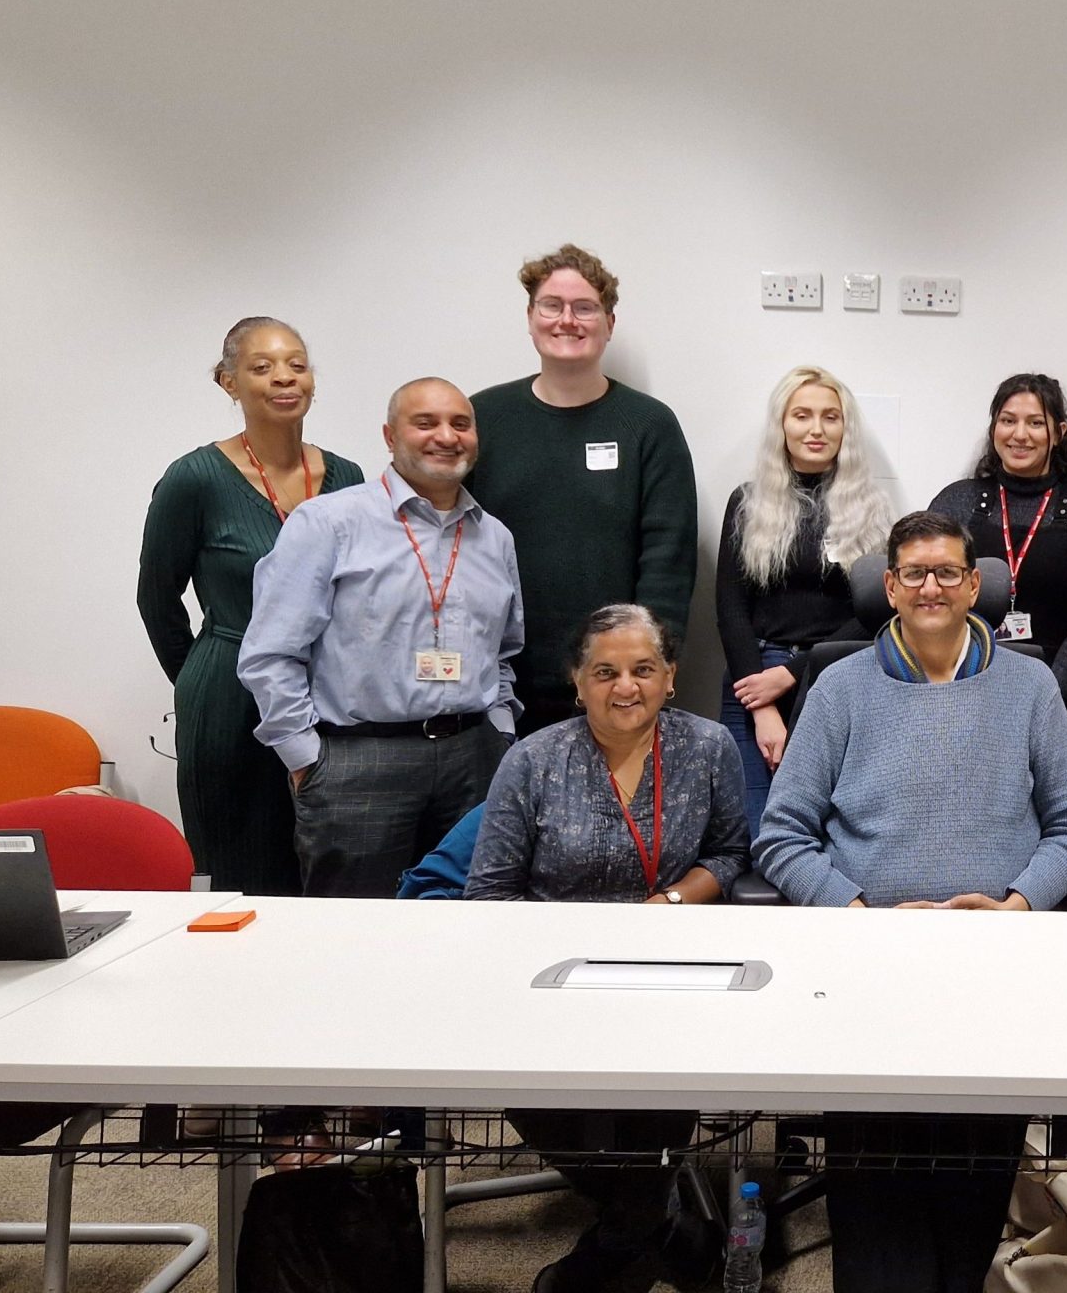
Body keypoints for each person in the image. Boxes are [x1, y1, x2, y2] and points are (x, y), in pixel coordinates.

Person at [754, 510, 1067, 1293]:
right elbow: (782, 836)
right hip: (870, 966)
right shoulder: (839, 688)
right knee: (879, 1204)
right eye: (915, 573)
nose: (932, 586)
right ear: (891, 587)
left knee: (969, 1198)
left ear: (976, 585)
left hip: (992, 964)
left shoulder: (1030, 685)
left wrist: (1016, 909)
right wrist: (858, 917)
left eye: (949, 572)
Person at [466, 604, 747, 1292]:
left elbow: (730, 853)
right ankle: (660, 1221)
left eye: (644, 670)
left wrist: (675, 901)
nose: (627, 687)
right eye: (606, 672)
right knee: (543, 1092)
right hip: (550, 981)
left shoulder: (708, 748)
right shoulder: (533, 760)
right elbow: (488, 895)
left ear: (671, 678)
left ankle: (624, 1236)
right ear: (578, 682)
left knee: (658, 1084)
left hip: (667, 973)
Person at [238, 377, 524, 898]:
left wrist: (500, 734)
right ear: (390, 437)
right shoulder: (329, 522)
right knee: (353, 933)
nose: (446, 435)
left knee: (474, 921)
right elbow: (271, 654)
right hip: (358, 761)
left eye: (461, 423)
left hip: (473, 758)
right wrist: (306, 759)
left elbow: (503, 652)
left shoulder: (494, 537)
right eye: (426, 422)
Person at [138, 318, 364, 897]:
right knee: (242, 877)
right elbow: (157, 599)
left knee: (336, 875)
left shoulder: (349, 478)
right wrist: (201, 680)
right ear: (228, 381)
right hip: (230, 701)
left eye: (297, 363)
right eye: (262, 367)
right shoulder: (194, 480)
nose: (284, 378)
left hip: (329, 700)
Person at [468, 244, 699, 735]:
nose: (566, 320)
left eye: (585, 307)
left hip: (614, 688)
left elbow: (668, 559)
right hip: (497, 683)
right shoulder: (482, 418)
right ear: (530, 317)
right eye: (551, 305)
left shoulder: (648, 425)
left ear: (609, 324)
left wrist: (642, 671)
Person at [930, 372, 1067, 799]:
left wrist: (1043, 691)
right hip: (966, 696)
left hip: (1064, 702)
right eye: (1008, 421)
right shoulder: (957, 501)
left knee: (1062, 839)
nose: (1020, 434)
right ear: (993, 429)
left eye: (1035, 423)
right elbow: (928, 599)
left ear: (1059, 433)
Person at [714, 365, 894, 831]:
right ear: (782, 424)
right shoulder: (748, 502)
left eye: (830, 417)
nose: (816, 429)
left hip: (839, 675)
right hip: (751, 679)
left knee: (824, 833)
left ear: (845, 429)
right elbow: (730, 609)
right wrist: (763, 703)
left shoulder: (873, 509)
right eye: (802, 415)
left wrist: (793, 675)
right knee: (755, 837)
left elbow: (875, 612)